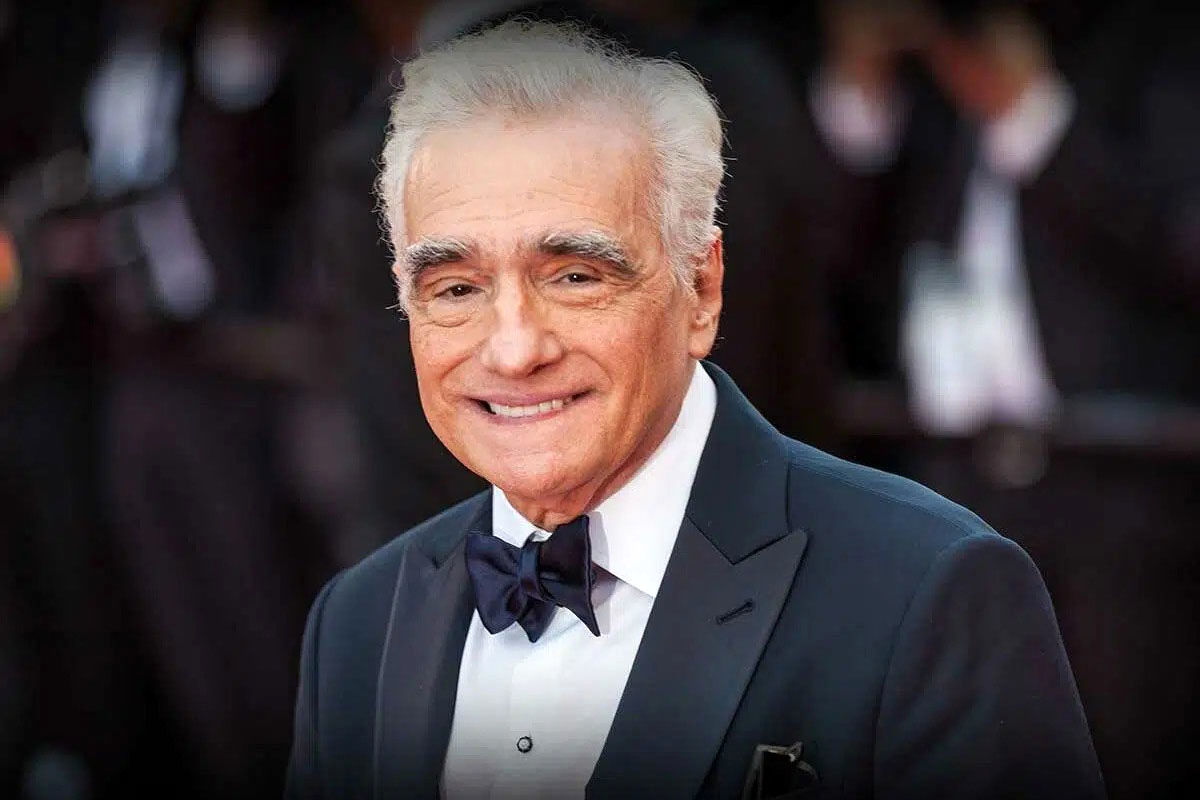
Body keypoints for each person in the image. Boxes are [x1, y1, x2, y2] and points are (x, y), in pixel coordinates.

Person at [285, 20, 1103, 799]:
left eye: (575, 276)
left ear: (701, 289)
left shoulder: (926, 594)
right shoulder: (357, 625)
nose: (514, 349)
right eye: (457, 289)